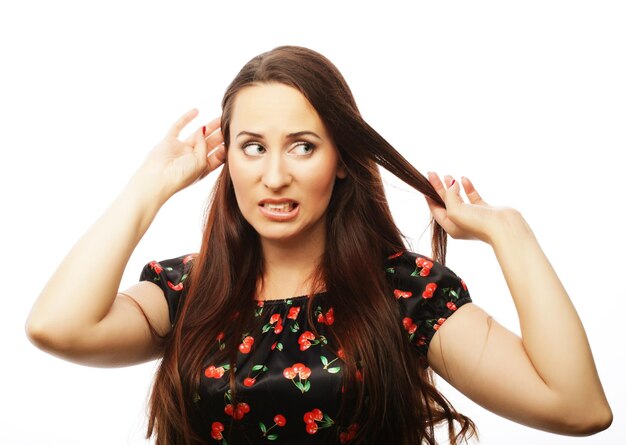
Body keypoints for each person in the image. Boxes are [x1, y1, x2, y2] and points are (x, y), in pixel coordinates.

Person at [25, 46, 612, 445]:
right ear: (226, 157)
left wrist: (509, 231)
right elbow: (58, 326)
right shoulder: (186, 291)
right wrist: (146, 192)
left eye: (303, 145)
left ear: (341, 162)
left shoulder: (405, 293)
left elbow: (577, 407)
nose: (274, 175)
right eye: (252, 146)